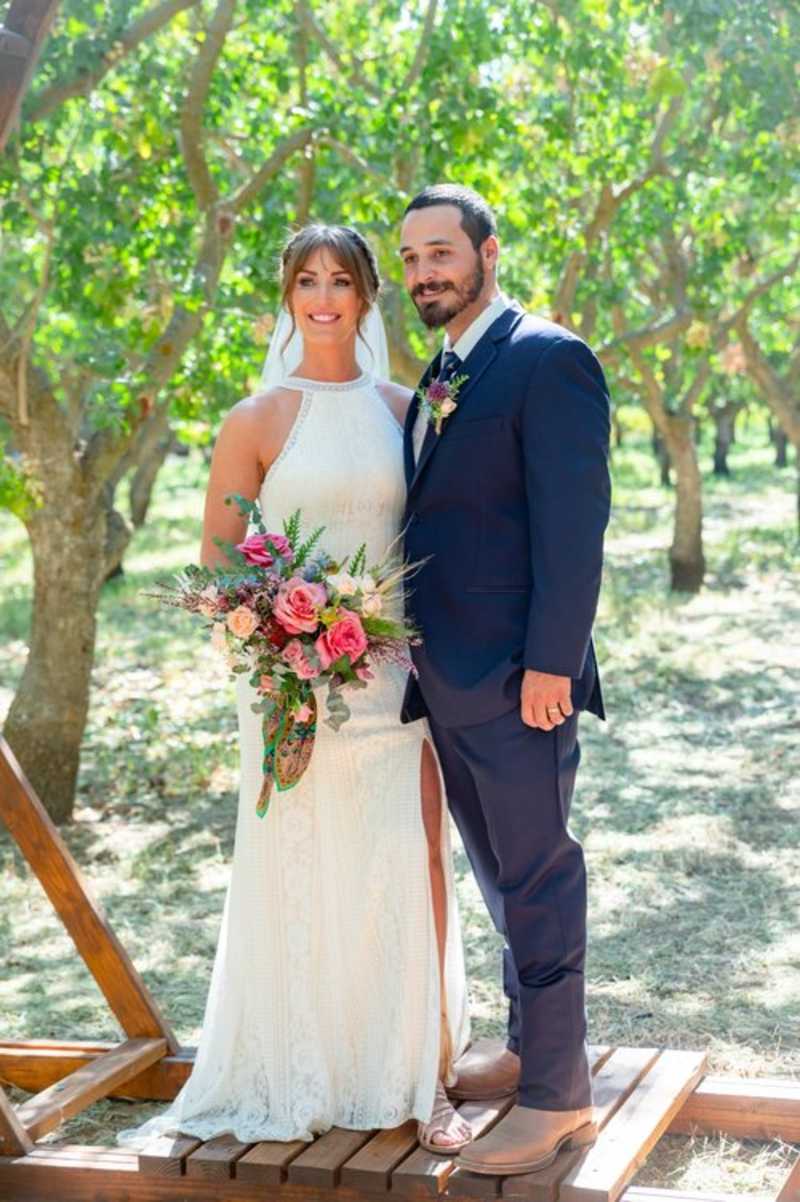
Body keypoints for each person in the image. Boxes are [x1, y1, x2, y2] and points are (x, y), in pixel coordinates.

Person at [117, 224, 472, 1153]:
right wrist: (281, 633)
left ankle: (423, 1073)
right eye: (306, 281)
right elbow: (218, 564)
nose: (323, 298)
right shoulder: (257, 420)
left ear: (366, 297)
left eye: (341, 281)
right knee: (303, 867)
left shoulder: (406, 410)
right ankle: (304, 1066)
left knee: (410, 861)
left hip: (394, 678)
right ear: (287, 297)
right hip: (289, 687)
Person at [399, 184, 611, 1175]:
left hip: (521, 678)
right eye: (410, 259)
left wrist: (549, 664)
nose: (423, 273)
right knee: (497, 875)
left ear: (488, 252)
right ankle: (529, 1043)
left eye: (440, 252)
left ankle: (558, 1096)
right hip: (447, 678)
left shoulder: (548, 358)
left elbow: (574, 531)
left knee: (537, 875)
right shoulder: (443, 370)